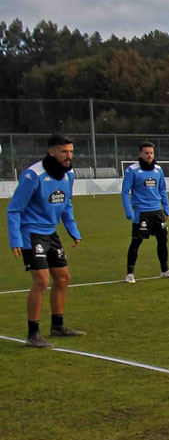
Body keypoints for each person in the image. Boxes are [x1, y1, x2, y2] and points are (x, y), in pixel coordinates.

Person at [6, 134, 85, 348]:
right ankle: (33, 333)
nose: (69, 156)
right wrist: (15, 239)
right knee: (41, 281)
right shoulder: (33, 176)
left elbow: (67, 204)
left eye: (71, 152)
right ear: (52, 152)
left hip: (51, 233)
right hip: (31, 233)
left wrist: (73, 230)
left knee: (63, 278)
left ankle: (57, 326)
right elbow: (14, 209)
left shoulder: (69, 175)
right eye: (64, 152)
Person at [121, 141, 169, 283]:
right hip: (141, 212)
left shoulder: (158, 170)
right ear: (140, 154)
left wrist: (167, 208)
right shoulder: (132, 170)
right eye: (146, 153)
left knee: (163, 240)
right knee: (136, 242)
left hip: (157, 212)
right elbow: (125, 192)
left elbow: (162, 190)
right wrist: (129, 211)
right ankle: (130, 274)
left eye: (151, 153)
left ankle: (165, 270)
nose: (149, 155)